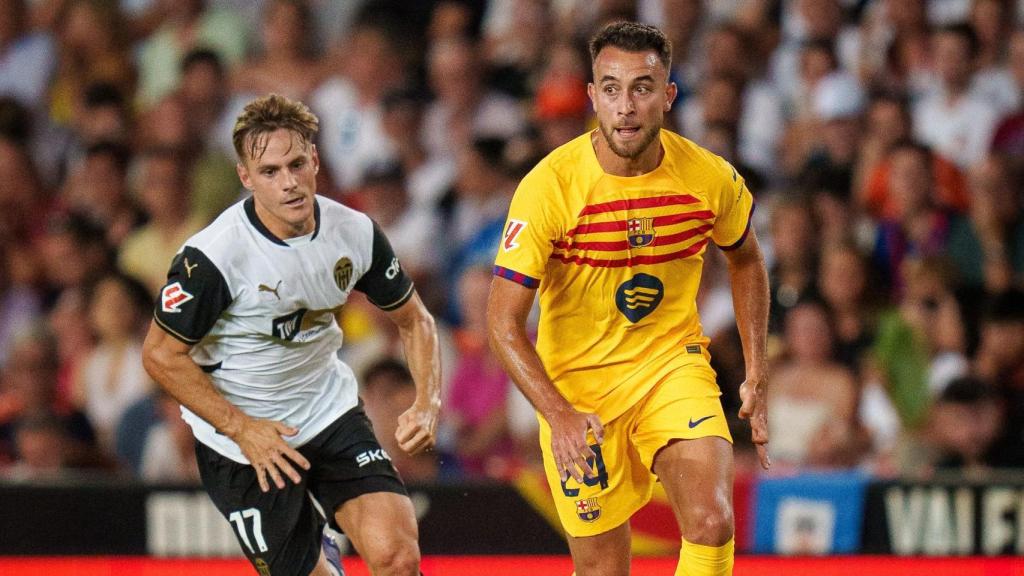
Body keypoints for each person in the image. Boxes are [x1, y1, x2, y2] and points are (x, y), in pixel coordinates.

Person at [486, 22, 770, 576]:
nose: (625, 106)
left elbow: (746, 258)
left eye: (642, 87)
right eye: (611, 89)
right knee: (603, 568)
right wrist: (558, 414)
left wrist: (757, 370)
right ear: (592, 96)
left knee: (712, 522)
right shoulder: (549, 187)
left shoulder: (709, 178)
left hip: (671, 367)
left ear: (667, 96)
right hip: (579, 393)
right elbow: (500, 321)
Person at [141, 94, 441, 576]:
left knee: (397, 558)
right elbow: (159, 355)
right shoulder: (214, 257)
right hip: (241, 441)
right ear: (245, 177)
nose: (290, 183)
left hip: (327, 409)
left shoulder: (354, 232)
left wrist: (427, 401)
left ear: (315, 160)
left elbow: (415, 319)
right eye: (271, 171)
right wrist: (242, 428)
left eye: (297, 164)